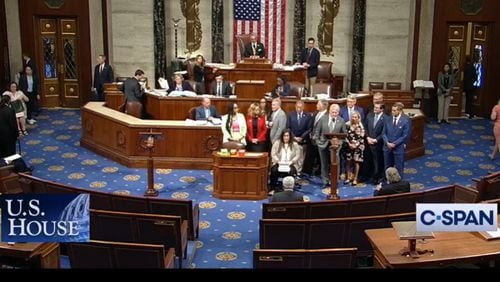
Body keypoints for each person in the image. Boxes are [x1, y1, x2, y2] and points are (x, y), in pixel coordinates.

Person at [313, 103, 347, 188]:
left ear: (338, 112)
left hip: (335, 147)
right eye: (332, 112)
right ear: (329, 111)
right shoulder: (323, 119)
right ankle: (325, 181)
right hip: (322, 144)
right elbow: (317, 131)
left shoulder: (341, 120)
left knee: (335, 164)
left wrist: (340, 143)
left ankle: (334, 181)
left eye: (336, 112)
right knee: (324, 164)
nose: (334, 114)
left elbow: (344, 134)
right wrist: (317, 141)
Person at [382, 102, 411, 176]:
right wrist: (387, 143)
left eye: (394, 110)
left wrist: (394, 144)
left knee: (399, 167)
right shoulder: (388, 119)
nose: (392, 112)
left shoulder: (405, 121)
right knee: (387, 166)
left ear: (400, 111)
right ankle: (387, 181)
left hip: (398, 148)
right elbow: (383, 133)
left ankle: (399, 183)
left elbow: (404, 136)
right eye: (392, 110)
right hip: (387, 147)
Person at [287, 101, 312, 175]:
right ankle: (292, 171)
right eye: (297, 107)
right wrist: (294, 137)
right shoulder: (290, 115)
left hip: (303, 140)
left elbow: (309, 129)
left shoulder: (308, 116)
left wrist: (301, 137)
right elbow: (288, 127)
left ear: (303, 107)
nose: (298, 109)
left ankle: (298, 172)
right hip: (293, 139)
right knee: (292, 156)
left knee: (301, 157)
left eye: (300, 107)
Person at [365, 103, 387, 184]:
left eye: (377, 108)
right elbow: (365, 127)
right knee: (368, 160)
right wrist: (367, 137)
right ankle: (367, 176)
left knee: (377, 162)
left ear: (382, 109)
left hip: (378, 144)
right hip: (368, 142)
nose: (375, 109)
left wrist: (376, 140)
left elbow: (384, 132)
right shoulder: (369, 116)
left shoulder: (386, 118)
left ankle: (376, 178)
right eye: (374, 107)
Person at [343, 111, 365, 186]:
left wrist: (356, 145)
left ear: (358, 118)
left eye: (355, 117)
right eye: (353, 117)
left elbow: (362, 137)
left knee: (356, 162)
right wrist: (349, 144)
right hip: (349, 146)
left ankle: (355, 178)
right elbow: (345, 135)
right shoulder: (347, 124)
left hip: (358, 147)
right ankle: (348, 177)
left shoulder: (361, 126)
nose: (354, 118)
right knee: (348, 161)